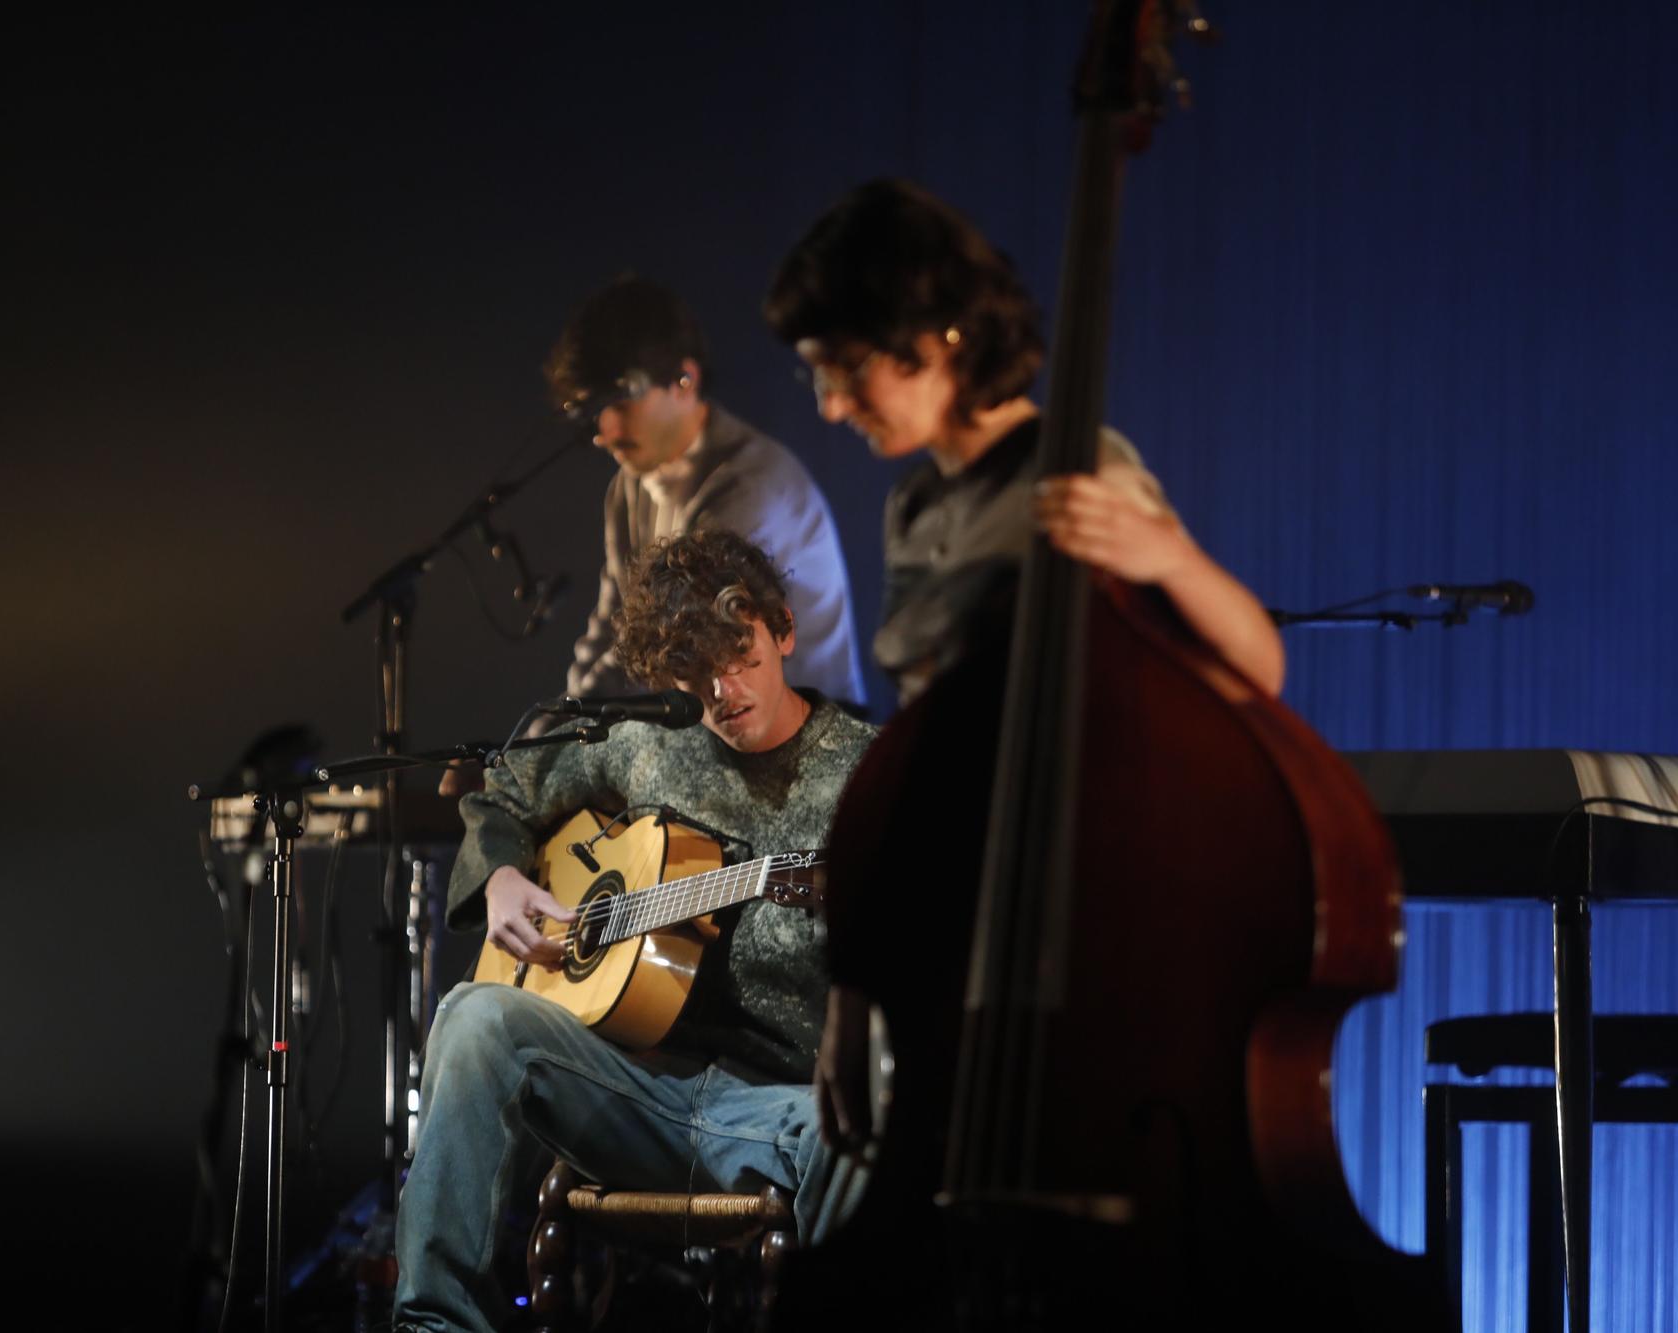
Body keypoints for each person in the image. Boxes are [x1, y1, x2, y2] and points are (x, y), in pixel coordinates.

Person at [763, 176, 1287, 1148]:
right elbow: (912, 767)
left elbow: (1255, 668)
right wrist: (851, 994)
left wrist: (1167, 557)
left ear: (938, 339)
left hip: (1072, 944)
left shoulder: (1079, 464)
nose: (831, 406)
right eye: (815, 377)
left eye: (845, 368)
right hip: (941, 947)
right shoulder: (911, 508)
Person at [394, 530, 877, 1333]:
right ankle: (432, 1325)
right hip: (638, 1094)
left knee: (866, 1134)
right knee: (475, 1016)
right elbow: (504, 786)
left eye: (741, 655)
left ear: (783, 630)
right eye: (694, 672)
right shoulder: (649, 745)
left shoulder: (867, 775)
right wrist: (505, 877)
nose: (723, 690)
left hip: (786, 1114)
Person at [547, 275, 865, 706]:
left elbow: (673, 646)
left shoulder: (750, 484)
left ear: (685, 380)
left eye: (619, 404)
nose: (603, 433)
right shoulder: (627, 485)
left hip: (811, 749)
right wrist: (555, 727)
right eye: (593, 411)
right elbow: (613, 626)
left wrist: (551, 738)